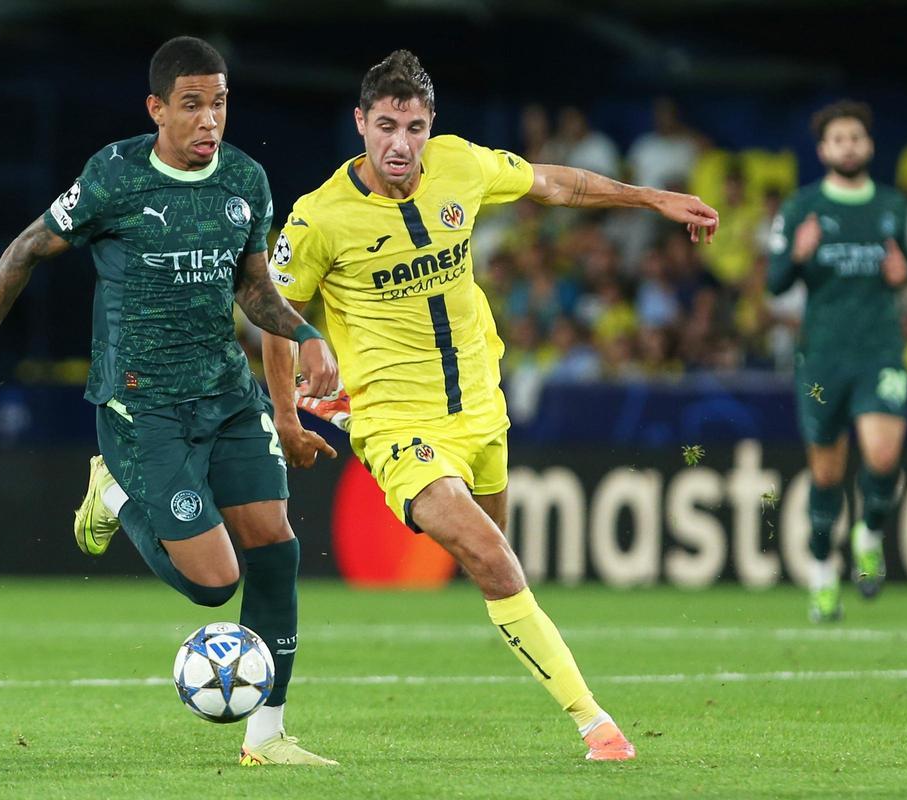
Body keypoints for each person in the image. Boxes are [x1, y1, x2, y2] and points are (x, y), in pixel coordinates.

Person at [263, 50, 718, 762]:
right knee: (493, 559)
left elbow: (556, 184)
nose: (400, 144)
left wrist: (651, 199)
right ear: (360, 123)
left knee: (500, 558)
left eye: (414, 127)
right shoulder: (319, 218)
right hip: (398, 422)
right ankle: (597, 726)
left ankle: (527, 636)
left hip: (482, 408)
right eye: (386, 126)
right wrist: (288, 413)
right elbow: (271, 310)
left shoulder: (460, 164)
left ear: (430, 126)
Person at [0, 36, 339, 767]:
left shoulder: (244, 179)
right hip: (142, 405)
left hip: (226, 395)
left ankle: (267, 737)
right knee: (215, 586)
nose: (209, 119)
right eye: (192, 104)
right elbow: (25, 249)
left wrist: (304, 335)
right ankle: (114, 492)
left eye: (219, 103)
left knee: (277, 549)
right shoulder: (115, 177)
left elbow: (253, 288)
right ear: (156, 108)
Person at [766, 100, 907, 623]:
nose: (848, 147)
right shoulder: (801, 207)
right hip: (823, 359)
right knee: (826, 474)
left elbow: (904, 269)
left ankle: (869, 535)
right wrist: (797, 254)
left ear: (869, 145)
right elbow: (774, 283)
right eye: (839, 139)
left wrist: (904, 275)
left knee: (882, 458)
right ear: (823, 149)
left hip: (880, 351)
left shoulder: (893, 205)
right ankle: (823, 575)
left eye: (856, 137)